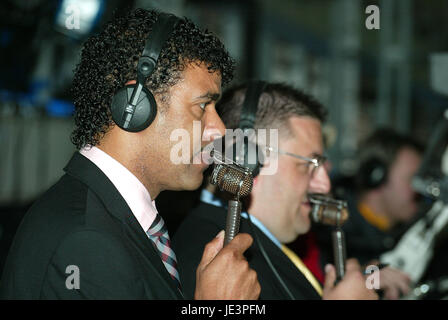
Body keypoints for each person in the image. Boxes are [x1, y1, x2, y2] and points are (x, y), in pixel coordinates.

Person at [0, 9, 260, 300]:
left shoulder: (113, 218)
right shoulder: (87, 242)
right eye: (202, 106)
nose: (219, 130)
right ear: (134, 107)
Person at [173, 81, 378, 300]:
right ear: (244, 159)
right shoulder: (212, 268)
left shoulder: (253, 248)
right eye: (310, 164)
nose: (324, 185)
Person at [315, 128, 424, 299]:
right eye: (412, 179)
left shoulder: (416, 235)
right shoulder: (327, 236)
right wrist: (360, 281)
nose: (420, 190)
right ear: (376, 176)